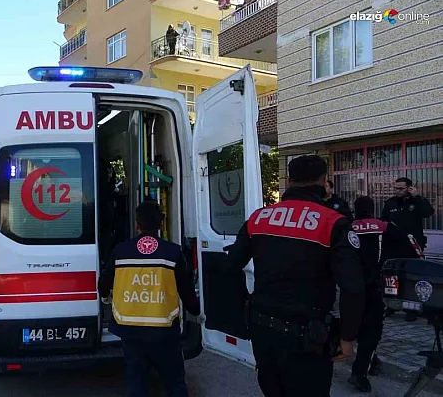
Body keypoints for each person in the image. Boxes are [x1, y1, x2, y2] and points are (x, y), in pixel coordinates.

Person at [224, 155, 365, 397]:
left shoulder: (258, 218)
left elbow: (228, 268)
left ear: (289, 181)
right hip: (308, 338)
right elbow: (353, 287)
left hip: (263, 329)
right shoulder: (334, 223)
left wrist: (244, 307)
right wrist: (348, 337)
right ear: (323, 181)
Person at [98, 201, 201, 397]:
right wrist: (196, 310)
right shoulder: (172, 252)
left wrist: (107, 298)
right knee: (175, 384)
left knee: (136, 384)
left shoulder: (121, 251)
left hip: (131, 331)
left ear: (137, 225)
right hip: (164, 332)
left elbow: (103, 284)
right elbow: (186, 290)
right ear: (161, 224)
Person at [348, 196, 425, 392]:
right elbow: (411, 247)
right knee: (372, 329)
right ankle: (360, 372)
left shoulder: (347, 227)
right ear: (373, 209)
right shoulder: (384, 226)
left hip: (350, 286)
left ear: (355, 209)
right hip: (376, 285)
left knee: (354, 323)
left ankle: (369, 360)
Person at [380, 177, 434, 250]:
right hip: (394, 243)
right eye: (396, 188)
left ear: (410, 188)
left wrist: (416, 197)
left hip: (413, 242)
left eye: (401, 189)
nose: (398, 191)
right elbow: (384, 219)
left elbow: (427, 213)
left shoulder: (417, 201)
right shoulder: (391, 202)